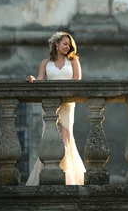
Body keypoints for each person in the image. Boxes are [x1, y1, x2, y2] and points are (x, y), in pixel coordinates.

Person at [25, 31, 86, 186]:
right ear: (56, 44)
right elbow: (40, 80)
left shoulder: (73, 61)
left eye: (70, 45)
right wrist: (33, 79)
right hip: (50, 105)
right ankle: (47, 174)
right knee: (50, 136)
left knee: (66, 136)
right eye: (65, 44)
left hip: (67, 104)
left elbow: (77, 81)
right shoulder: (45, 63)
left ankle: (67, 178)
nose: (68, 47)